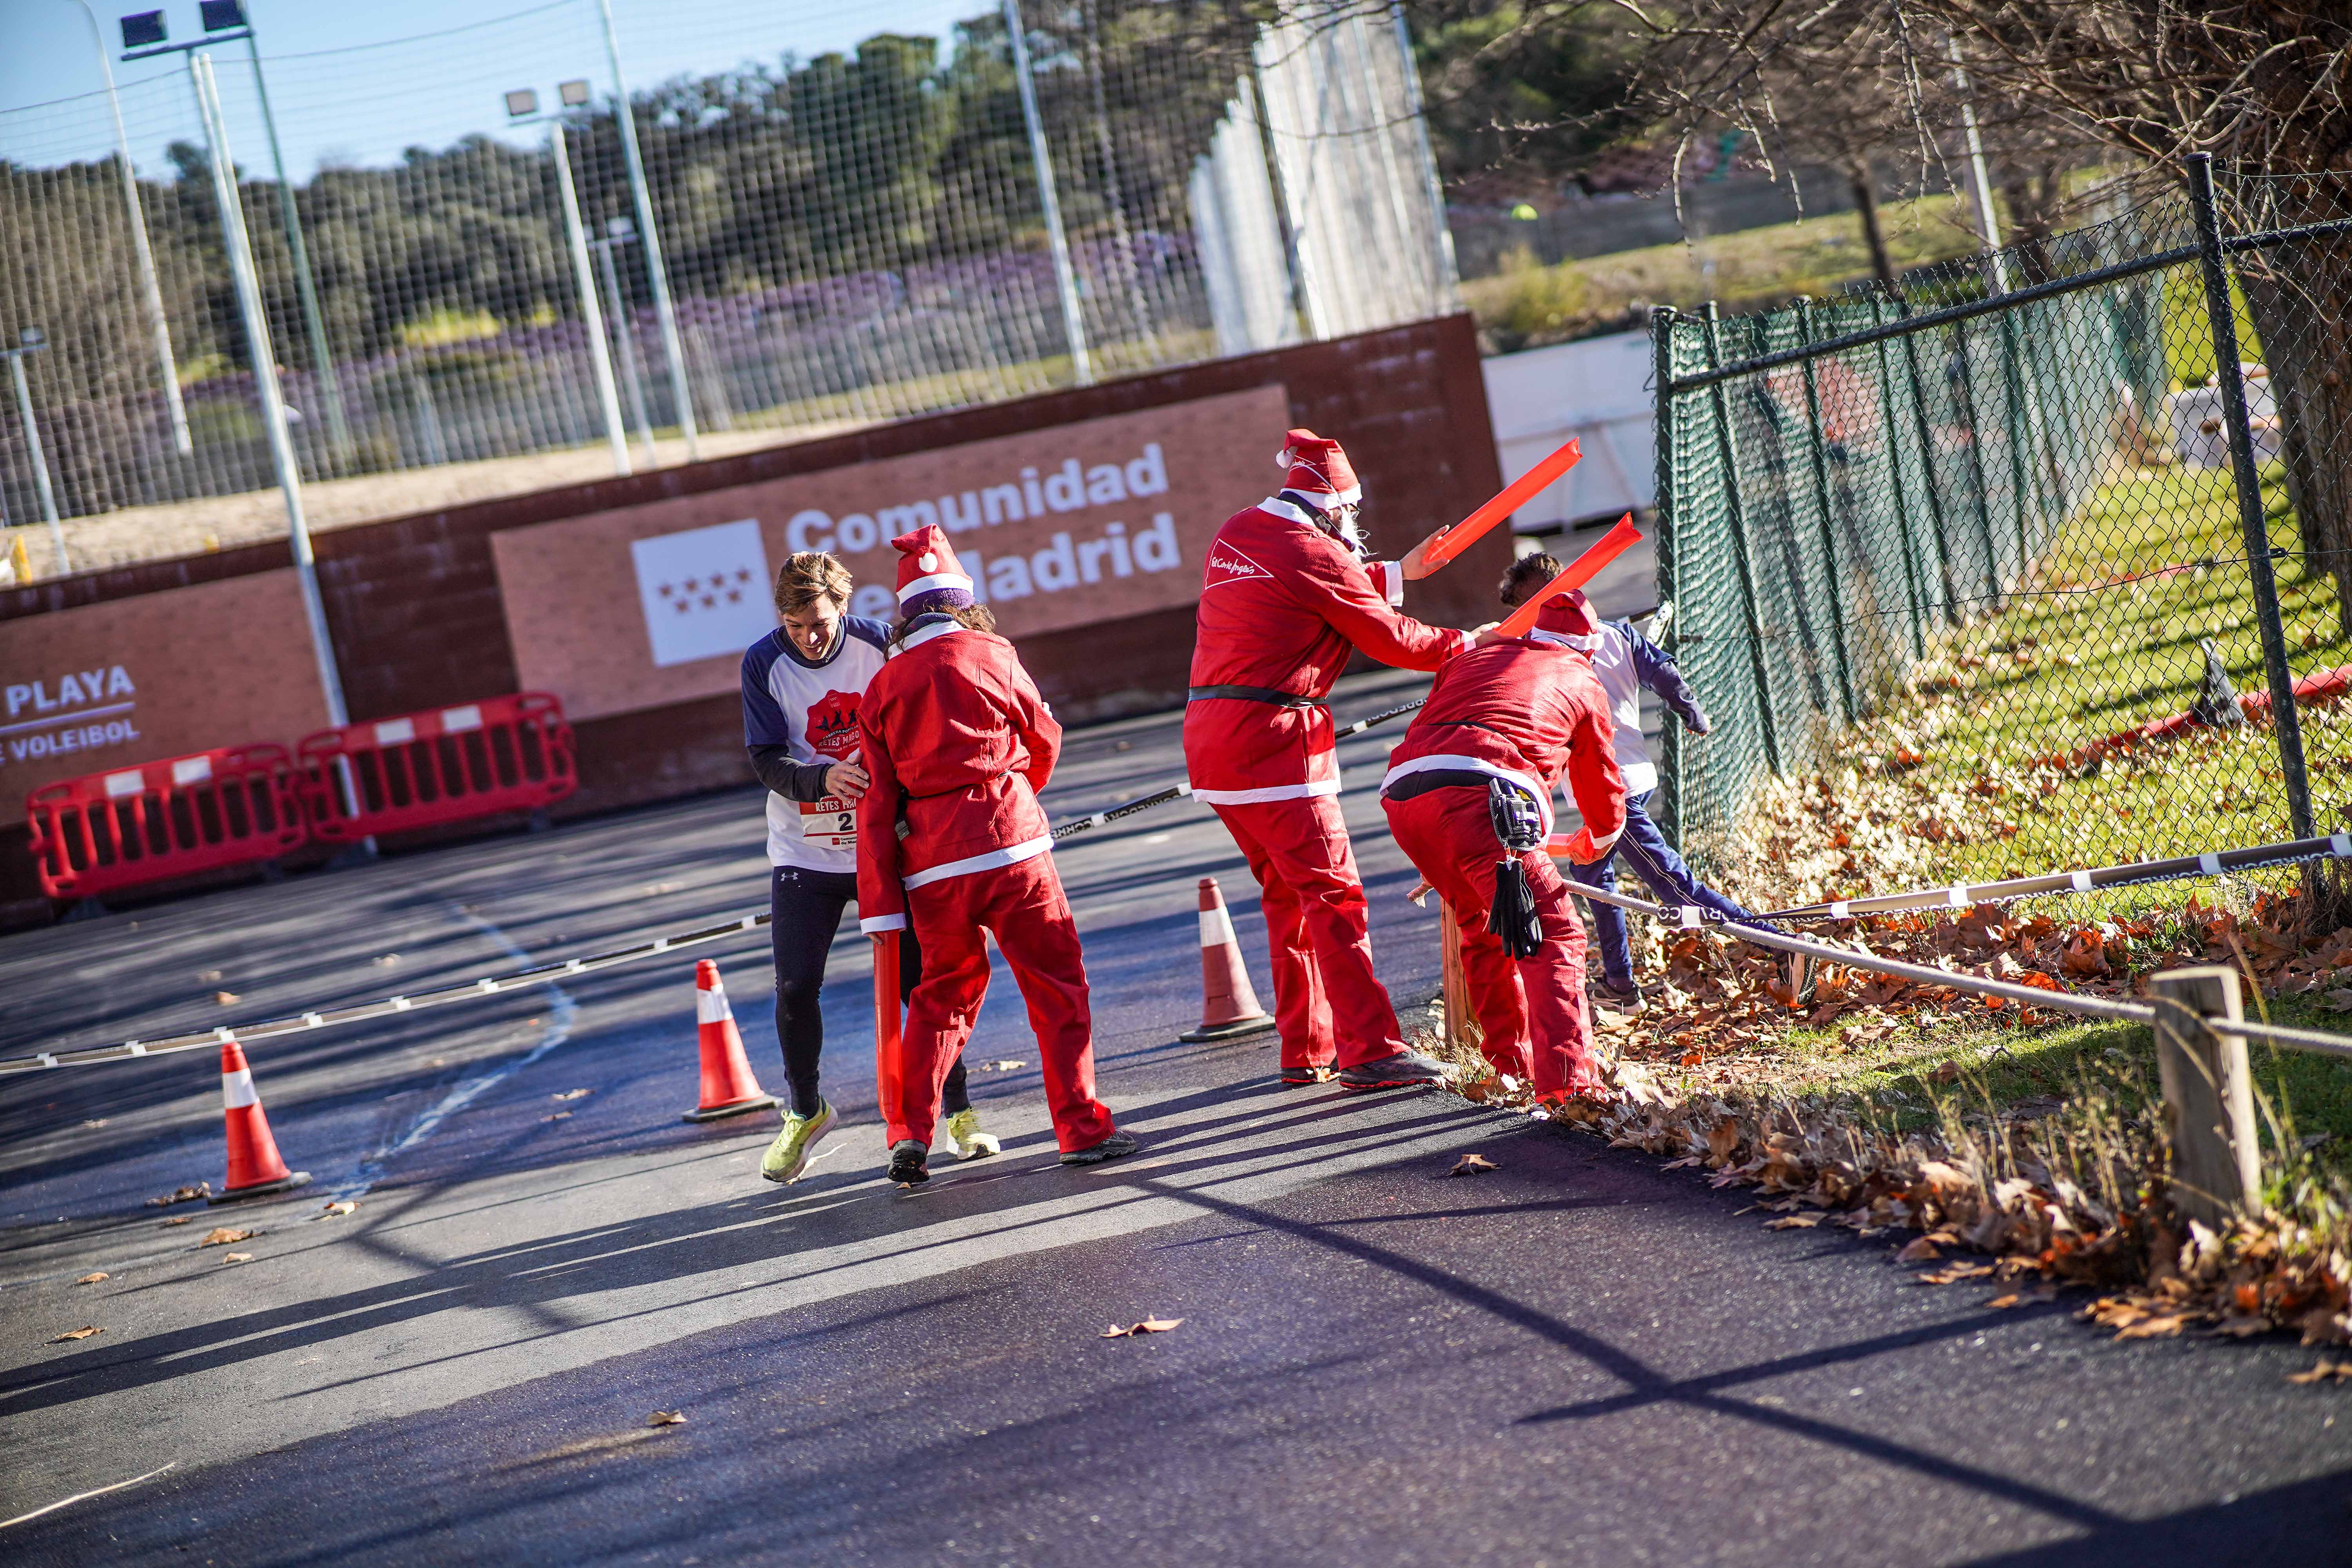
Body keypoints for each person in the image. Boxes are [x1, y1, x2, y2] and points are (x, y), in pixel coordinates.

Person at [1183, 428, 1476, 1092]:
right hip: (1274, 742)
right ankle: (1370, 1049)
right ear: (1335, 508)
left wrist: (1398, 575)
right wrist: (1468, 647)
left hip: (1213, 741)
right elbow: (1391, 638)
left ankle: (1306, 1046)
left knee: (1287, 897)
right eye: (1351, 515)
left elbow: (1301, 589)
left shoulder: (1241, 530)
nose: (1355, 527)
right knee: (1334, 896)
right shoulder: (1314, 550)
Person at [856, 525, 1135, 1185]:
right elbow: (1044, 738)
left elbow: (875, 802)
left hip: (932, 867)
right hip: (1013, 847)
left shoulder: (883, 687)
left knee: (939, 999)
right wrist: (1015, 796)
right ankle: (1080, 1129)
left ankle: (913, 1133)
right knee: (1057, 988)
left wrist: (879, 901)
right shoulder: (994, 653)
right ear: (962, 602)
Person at [742, 551, 997, 1184]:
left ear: (844, 607)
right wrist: (824, 777)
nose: (810, 636)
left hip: (884, 848)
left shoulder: (882, 646)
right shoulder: (763, 664)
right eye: (797, 626)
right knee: (796, 986)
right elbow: (767, 762)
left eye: (821, 622)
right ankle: (805, 1110)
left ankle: (958, 1109)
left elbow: (918, 728)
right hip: (805, 850)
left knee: (923, 983)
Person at [1380, 577, 1627, 1098]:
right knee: (1554, 935)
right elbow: (1600, 783)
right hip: (1485, 798)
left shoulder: (1475, 658)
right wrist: (1603, 836)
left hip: (1404, 796)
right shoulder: (1582, 679)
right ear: (1589, 648)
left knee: (1484, 926)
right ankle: (1569, 1087)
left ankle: (1507, 1067)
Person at [1497, 554, 1761, 1004]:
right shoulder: (1619, 635)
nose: (1521, 620)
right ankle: (1620, 983)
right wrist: (1691, 712)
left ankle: (1771, 939)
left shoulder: (1540, 654)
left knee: (1675, 887)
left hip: (1613, 794)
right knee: (1594, 880)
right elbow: (1663, 672)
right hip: (1621, 783)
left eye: (1523, 608)